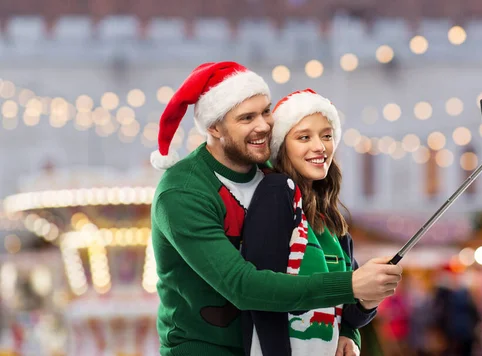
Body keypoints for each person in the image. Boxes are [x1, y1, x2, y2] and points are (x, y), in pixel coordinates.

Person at [150, 61, 404, 355]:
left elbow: (333, 254)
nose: (263, 125)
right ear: (214, 127)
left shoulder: (277, 180)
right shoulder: (185, 191)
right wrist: (350, 286)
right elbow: (241, 286)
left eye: (266, 111)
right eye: (247, 118)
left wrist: (347, 330)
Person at [238, 89, 380, 356]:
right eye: (304, 137)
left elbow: (348, 314)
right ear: (282, 146)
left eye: (327, 135)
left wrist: (368, 300)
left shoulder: (331, 220)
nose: (320, 146)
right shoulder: (276, 191)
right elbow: (263, 297)